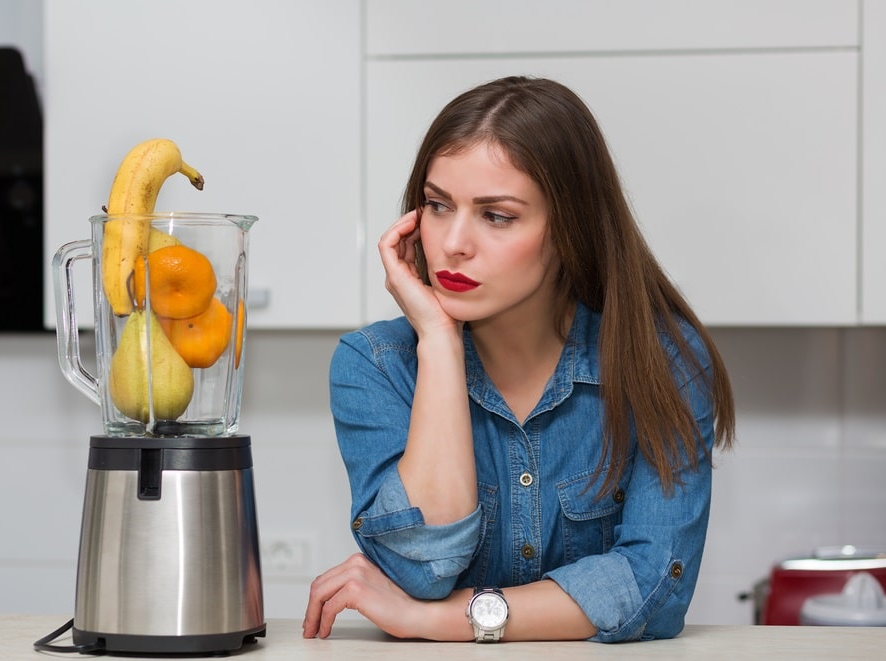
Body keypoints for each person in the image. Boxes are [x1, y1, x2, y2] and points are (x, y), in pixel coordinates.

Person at [303, 75, 735, 643]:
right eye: (437, 205)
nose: (454, 242)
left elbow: (655, 588)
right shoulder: (375, 366)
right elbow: (422, 568)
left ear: (569, 229)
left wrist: (436, 621)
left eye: (497, 215)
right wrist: (436, 339)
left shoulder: (665, 360)